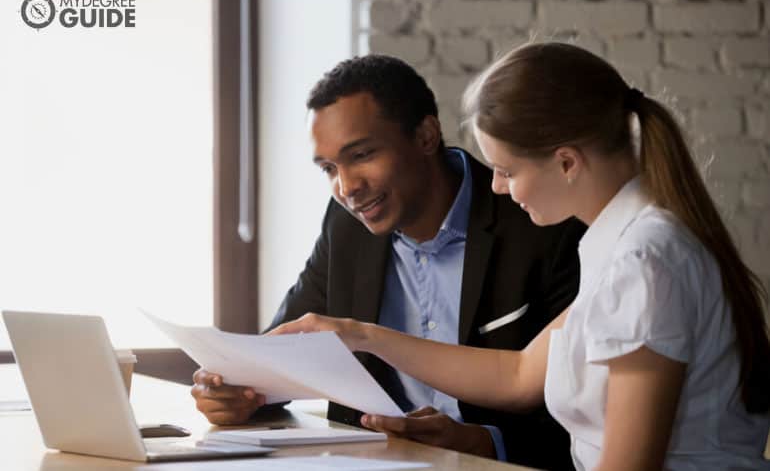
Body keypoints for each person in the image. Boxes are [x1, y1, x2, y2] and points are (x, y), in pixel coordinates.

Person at [271, 43, 770, 470]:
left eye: (506, 170)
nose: (497, 187)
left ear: (567, 163)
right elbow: (518, 375)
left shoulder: (644, 260)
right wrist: (362, 335)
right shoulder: (621, 245)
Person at [190, 54, 586, 468]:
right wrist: (237, 390)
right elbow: (284, 348)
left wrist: (486, 442)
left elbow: (589, 409)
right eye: (328, 168)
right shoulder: (345, 227)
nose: (347, 188)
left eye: (361, 155)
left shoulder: (543, 224)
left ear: (427, 135)